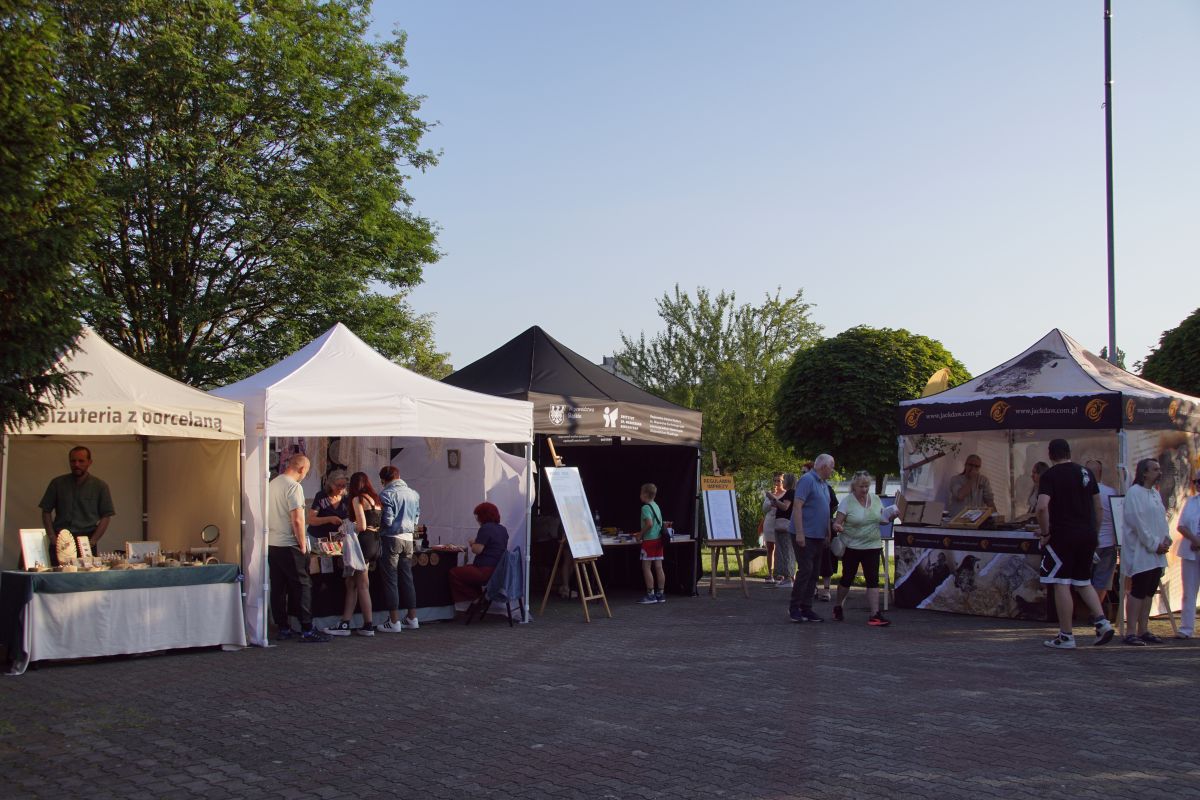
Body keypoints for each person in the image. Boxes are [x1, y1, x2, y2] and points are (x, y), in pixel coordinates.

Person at [1036, 439, 1115, 649]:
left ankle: (1066, 635)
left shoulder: (1050, 475)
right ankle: (1102, 622)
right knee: (1083, 581)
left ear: (1050, 455)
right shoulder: (1086, 473)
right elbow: (1098, 507)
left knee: (1061, 582)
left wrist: (1045, 532)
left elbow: (1042, 507)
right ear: (1069, 453)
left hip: (1063, 534)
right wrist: (1094, 532)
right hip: (1087, 534)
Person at [268, 454, 330, 642]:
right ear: (302, 469)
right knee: (303, 585)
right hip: (290, 543)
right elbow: (297, 519)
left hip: (273, 543)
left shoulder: (272, 484)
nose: (305, 475)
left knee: (278, 587)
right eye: (307, 472)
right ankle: (307, 629)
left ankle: (283, 627)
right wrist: (303, 544)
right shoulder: (294, 487)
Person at [832, 470, 902, 626]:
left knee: (873, 580)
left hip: (873, 545)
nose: (864, 490)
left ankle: (875, 614)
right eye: (861, 486)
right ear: (854, 486)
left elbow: (881, 519)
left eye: (867, 486)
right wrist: (838, 527)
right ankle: (838, 605)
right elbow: (837, 522)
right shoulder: (847, 502)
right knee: (847, 579)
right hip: (852, 546)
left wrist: (890, 516)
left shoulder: (875, 499)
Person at [1121, 459, 1172, 646]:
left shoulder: (1154, 493)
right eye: (1155, 469)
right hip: (1141, 551)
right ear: (1144, 473)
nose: (1159, 472)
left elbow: (1161, 519)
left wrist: (1166, 539)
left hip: (1156, 552)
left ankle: (1143, 629)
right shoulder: (1134, 493)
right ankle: (1130, 631)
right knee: (1138, 590)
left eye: (1159, 469)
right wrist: (1154, 544)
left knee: (1149, 591)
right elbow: (1138, 523)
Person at [324, 472, 380, 636]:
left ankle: (367, 625)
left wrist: (347, 527)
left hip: (362, 543)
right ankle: (346, 622)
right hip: (375, 541)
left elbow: (361, 526)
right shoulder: (375, 500)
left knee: (361, 584)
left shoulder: (358, 499)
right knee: (352, 583)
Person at [39, 446, 115, 554]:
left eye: (81, 461)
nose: (76, 465)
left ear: (89, 462)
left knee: (85, 566)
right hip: (60, 540)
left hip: (86, 540)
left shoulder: (100, 486)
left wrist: (93, 540)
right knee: (56, 565)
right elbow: (46, 510)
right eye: (73, 461)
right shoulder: (57, 483)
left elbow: (106, 516)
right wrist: (52, 536)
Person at [788, 454, 835, 623]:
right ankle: (794, 608)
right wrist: (800, 533)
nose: (833, 471)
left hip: (818, 535)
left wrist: (828, 533)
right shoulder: (807, 480)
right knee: (806, 569)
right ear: (823, 466)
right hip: (805, 533)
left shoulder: (824, 484)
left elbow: (826, 510)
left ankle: (806, 608)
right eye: (832, 467)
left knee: (814, 572)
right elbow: (797, 506)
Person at [377, 465, 421, 633]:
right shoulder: (413, 493)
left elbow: (388, 520)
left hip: (391, 538)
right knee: (407, 578)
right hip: (409, 539)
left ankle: (394, 621)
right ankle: (412, 618)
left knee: (391, 579)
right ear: (398, 475)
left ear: (383, 480)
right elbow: (416, 518)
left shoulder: (386, 494)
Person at [449, 502, 510, 604]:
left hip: (485, 571)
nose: (477, 519)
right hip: (498, 571)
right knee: (468, 570)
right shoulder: (502, 529)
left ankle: (476, 598)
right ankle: (479, 599)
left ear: (483, 516)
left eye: (478, 516)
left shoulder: (486, 528)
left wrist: (473, 543)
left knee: (453, 572)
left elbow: (477, 550)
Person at [1084, 459, 1118, 607]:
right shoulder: (1111, 492)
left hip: (1087, 542)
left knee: (1083, 580)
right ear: (1100, 473)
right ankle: (1096, 612)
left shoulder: (1082, 492)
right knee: (1102, 581)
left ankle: (1087, 611)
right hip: (1108, 542)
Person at [1175, 470, 1200, 639]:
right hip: (1191, 551)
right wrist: (1194, 539)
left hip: (1195, 546)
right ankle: (1186, 628)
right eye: (1195, 481)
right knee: (1189, 591)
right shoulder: (1190, 501)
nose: (1197, 484)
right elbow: (1181, 525)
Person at [636, 483, 666, 604]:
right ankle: (661, 594)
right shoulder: (656, 506)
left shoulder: (645, 508)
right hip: (659, 540)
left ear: (645, 494)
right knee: (659, 567)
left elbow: (649, 524)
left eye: (641, 493)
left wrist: (640, 534)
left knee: (646, 567)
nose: (640, 495)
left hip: (649, 541)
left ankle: (650, 595)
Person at [767, 473, 798, 588]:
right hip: (783, 525)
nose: (782, 482)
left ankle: (788, 578)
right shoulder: (792, 493)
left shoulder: (790, 493)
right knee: (784, 551)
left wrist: (772, 498)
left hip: (785, 526)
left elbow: (785, 507)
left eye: (783, 480)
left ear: (788, 481)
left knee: (786, 551)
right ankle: (787, 577)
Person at [307, 470, 350, 541]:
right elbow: (311, 519)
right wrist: (329, 519)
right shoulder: (322, 496)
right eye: (338, 485)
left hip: (337, 539)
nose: (340, 488)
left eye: (343, 486)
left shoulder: (347, 498)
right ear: (330, 484)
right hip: (317, 537)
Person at [817, 480, 840, 602]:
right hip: (811, 528)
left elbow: (835, 504)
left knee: (827, 559)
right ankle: (813, 587)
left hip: (826, 527)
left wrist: (829, 514)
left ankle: (826, 589)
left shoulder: (827, 488)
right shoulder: (806, 488)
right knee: (811, 560)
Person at [761, 473, 785, 583]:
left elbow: (786, 508)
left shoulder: (786, 494)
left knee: (780, 549)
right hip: (769, 523)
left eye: (779, 480)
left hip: (780, 523)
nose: (776, 483)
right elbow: (764, 509)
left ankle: (780, 573)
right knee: (770, 548)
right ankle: (770, 574)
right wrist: (771, 501)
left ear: (783, 482)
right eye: (775, 480)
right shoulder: (769, 494)